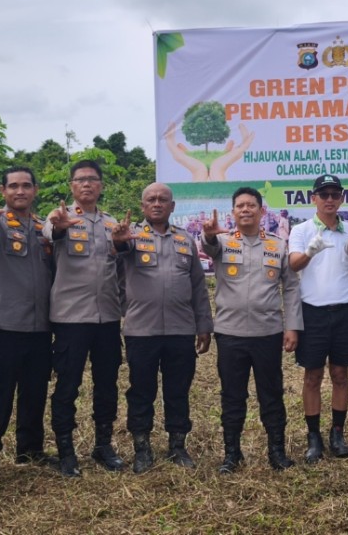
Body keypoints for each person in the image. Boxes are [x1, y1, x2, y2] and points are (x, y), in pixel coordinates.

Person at [111, 182, 213, 473]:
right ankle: (142, 448)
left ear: (172, 207)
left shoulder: (185, 240)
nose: (157, 204)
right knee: (141, 390)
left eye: (162, 200)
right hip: (141, 331)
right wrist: (118, 240)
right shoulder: (131, 236)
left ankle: (177, 446)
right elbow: (117, 252)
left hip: (181, 330)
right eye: (151, 200)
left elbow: (197, 287)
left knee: (178, 390)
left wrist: (203, 325)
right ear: (143, 206)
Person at [201, 187, 302, 473]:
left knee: (271, 394)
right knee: (232, 396)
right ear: (233, 212)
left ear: (261, 211)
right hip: (230, 334)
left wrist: (293, 326)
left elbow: (292, 288)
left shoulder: (277, 245)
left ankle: (277, 451)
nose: (245, 210)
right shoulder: (221, 241)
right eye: (240, 206)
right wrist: (208, 234)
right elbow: (208, 246)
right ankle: (232, 454)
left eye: (251, 205)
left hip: (267, 333)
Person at [43, 160, 127, 478]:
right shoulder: (60, 217)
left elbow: (118, 264)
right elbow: (50, 233)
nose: (87, 184)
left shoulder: (111, 222)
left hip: (107, 317)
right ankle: (66, 451)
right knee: (68, 385)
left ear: (101, 185)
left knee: (107, 383)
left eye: (93, 179)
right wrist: (57, 226)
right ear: (72, 186)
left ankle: (103, 445)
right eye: (81, 180)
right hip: (70, 318)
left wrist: (121, 242)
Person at [0, 167, 54, 469]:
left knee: (35, 391)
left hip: (41, 325)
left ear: (35, 190)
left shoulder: (45, 227)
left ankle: (30, 450)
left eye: (26, 186)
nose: (20, 191)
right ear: (3, 191)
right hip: (4, 324)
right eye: (14, 186)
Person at [288, 174, 348, 463]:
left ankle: (337, 433)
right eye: (324, 194)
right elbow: (294, 264)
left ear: (342, 198)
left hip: (343, 312)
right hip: (313, 313)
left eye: (335, 194)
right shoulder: (302, 230)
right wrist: (310, 251)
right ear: (313, 198)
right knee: (313, 376)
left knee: (340, 375)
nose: (329, 199)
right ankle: (313, 437)